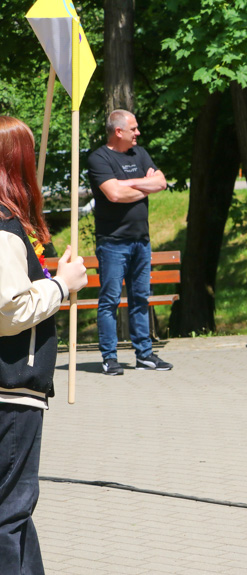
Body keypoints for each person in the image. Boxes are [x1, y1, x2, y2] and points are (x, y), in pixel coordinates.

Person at [0, 115, 88, 575]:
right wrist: (61, 287)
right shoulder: (2, 228)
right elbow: (7, 311)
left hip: (11, 388)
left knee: (13, 509)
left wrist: (54, 278)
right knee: (9, 512)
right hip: (9, 389)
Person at [86, 109, 172, 375]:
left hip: (141, 241)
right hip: (112, 243)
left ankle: (144, 355)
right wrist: (143, 183)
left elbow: (161, 183)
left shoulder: (140, 153)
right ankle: (109, 358)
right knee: (110, 300)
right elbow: (113, 194)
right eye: (133, 129)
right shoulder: (99, 158)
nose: (138, 133)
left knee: (140, 299)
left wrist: (131, 184)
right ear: (118, 131)